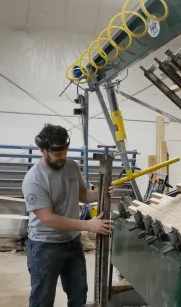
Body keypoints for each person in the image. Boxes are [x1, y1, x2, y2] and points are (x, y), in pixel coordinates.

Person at [22, 123, 115, 307]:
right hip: (45, 245)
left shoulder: (71, 166)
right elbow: (48, 218)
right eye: (58, 154)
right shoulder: (34, 179)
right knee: (43, 299)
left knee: (79, 294)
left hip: (72, 243)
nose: (63, 157)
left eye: (65, 151)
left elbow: (83, 195)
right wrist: (88, 225)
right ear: (43, 150)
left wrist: (101, 192)